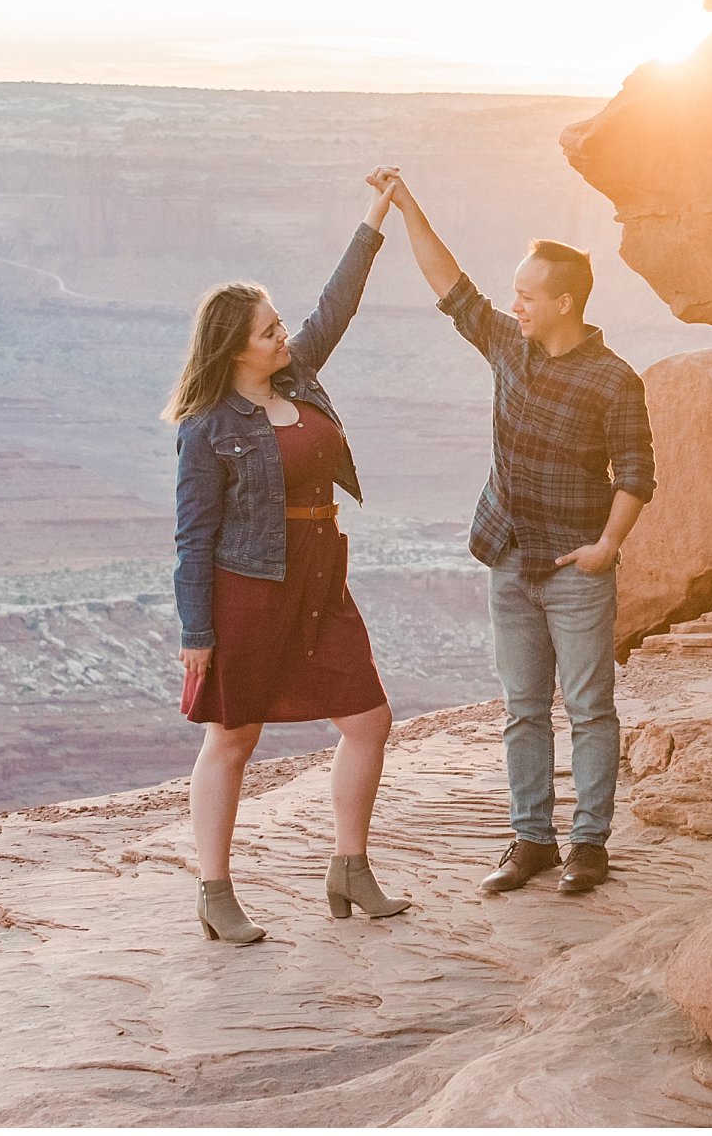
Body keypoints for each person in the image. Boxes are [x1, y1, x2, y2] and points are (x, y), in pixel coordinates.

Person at [373, 166, 654, 895]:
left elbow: (635, 474)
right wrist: (407, 202)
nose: (514, 304)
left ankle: (587, 846)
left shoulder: (614, 380)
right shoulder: (507, 344)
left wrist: (606, 550)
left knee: (590, 709)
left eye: (527, 296)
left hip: (575, 569)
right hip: (508, 559)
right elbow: (450, 284)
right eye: (515, 294)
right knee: (522, 710)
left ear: (563, 303)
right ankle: (532, 840)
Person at [164, 173, 410, 943]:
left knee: (369, 719)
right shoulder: (207, 428)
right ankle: (214, 889)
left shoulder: (298, 377)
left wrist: (376, 215)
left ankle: (349, 867)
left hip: (317, 581)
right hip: (249, 591)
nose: (283, 338)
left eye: (279, 328)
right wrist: (197, 633)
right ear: (235, 347)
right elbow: (191, 536)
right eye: (269, 332)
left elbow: (335, 304)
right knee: (233, 740)